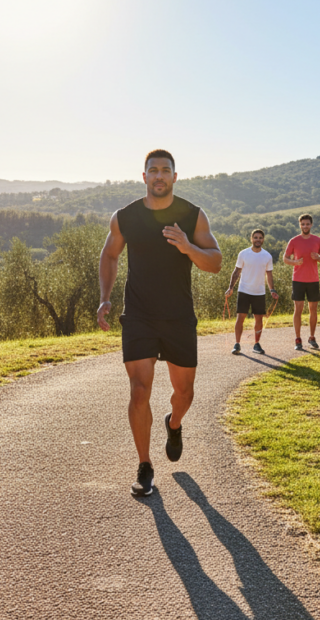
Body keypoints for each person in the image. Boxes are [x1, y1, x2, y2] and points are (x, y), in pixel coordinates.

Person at [97, 150, 222, 497]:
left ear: (175, 177)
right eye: (154, 170)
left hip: (179, 316)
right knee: (139, 389)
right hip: (138, 315)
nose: (159, 176)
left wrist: (186, 247)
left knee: (183, 392)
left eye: (166, 170)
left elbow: (214, 262)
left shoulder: (192, 215)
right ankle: (144, 465)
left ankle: (174, 422)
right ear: (144, 176)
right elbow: (110, 255)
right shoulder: (125, 217)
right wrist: (105, 297)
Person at [225, 229, 279, 356]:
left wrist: (272, 290)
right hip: (244, 290)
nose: (258, 239)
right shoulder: (243, 254)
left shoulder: (267, 256)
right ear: (251, 239)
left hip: (259, 292)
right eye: (255, 237)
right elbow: (236, 272)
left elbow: (269, 275)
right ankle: (237, 344)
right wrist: (230, 287)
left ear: (263, 239)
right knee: (240, 318)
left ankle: (256, 344)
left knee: (259, 320)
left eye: (260, 237)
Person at [283, 214, 320, 351]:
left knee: (313, 310)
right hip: (298, 280)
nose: (305, 226)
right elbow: (285, 258)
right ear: (299, 225)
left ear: (311, 225)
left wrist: (318, 257)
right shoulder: (294, 241)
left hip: (313, 280)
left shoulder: (318, 240)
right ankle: (298, 339)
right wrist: (294, 262)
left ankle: (312, 337)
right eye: (303, 224)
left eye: (307, 224)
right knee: (298, 309)